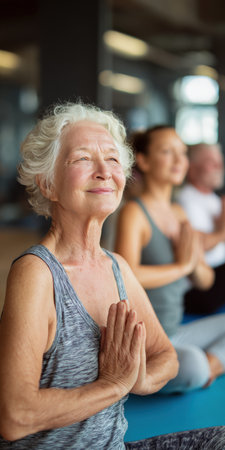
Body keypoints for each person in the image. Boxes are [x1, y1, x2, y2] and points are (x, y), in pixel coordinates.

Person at [115, 125, 225, 395]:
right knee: (193, 366)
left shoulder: (178, 212)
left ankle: (211, 365)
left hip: (175, 332)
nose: (179, 161)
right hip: (145, 343)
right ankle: (202, 367)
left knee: (198, 364)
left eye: (183, 153)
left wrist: (192, 262)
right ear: (144, 160)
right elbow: (125, 276)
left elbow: (205, 280)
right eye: (168, 152)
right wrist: (181, 267)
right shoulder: (134, 212)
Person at [177, 142, 225, 314]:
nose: (219, 166)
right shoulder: (186, 199)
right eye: (211, 162)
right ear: (193, 168)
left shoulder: (212, 198)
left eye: (220, 161)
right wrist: (222, 231)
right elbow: (194, 245)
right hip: (196, 288)